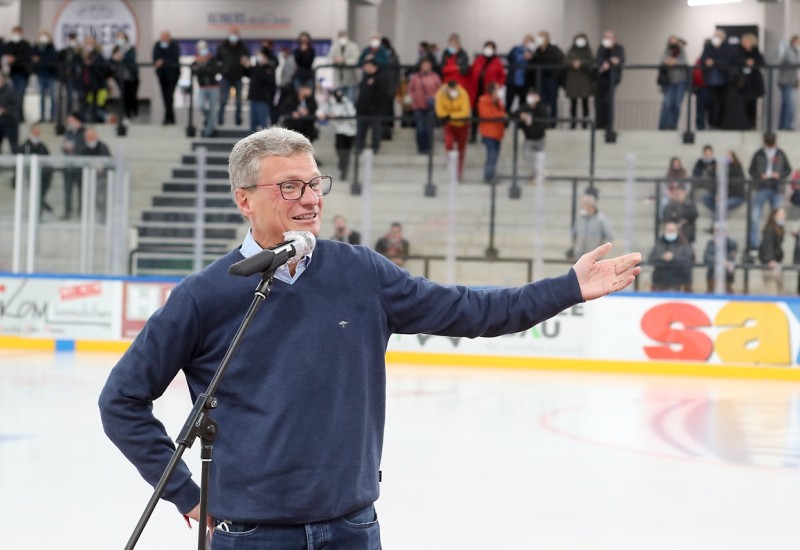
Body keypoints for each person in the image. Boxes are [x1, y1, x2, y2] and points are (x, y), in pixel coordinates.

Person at [98, 126, 640, 549]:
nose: (310, 199)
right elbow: (121, 400)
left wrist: (567, 288)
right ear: (245, 200)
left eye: (315, 183)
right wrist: (186, 494)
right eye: (290, 187)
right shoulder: (206, 295)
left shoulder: (362, 272)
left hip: (352, 528)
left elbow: (471, 310)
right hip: (251, 535)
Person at [747, 132, 792, 255]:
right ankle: (754, 245)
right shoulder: (759, 154)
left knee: (777, 218)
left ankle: (775, 246)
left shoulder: (780, 154)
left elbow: (787, 169)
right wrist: (760, 175)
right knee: (755, 217)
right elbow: (751, 170)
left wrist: (779, 175)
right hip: (761, 187)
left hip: (776, 188)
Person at [724, 33, 764, 131]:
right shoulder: (738, 51)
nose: (745, 43)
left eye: (747, 41)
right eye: (744, 41)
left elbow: (761, 62)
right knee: (741, 104)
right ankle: (743, 125)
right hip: (742, 83)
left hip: (753, 82)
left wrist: (753, 63)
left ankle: (752, 124)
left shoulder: (756, 52)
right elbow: (733, 62)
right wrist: (745, 62)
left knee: (752, 104)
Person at [468, 40, 506, 142]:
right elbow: (472, 72)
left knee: (486, 114)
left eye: (491, 48)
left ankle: (486, 136)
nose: (488, 50)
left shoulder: (497, 62)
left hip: (488, 92)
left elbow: (502, 76)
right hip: (477, 91)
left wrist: (497, 87)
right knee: (475, 114)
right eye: (487, 47)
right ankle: (473, 135)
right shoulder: (479, 59)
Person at [435, 79, 471, 181]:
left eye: (454, 89)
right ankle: (451, 168)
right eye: (451, 89)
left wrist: (450, 115)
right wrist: (450, 116)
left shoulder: (463, 93)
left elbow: (465, 112)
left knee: (461, 149)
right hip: (449, 125)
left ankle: (458, 173)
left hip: (462, 125)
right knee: (449, 145)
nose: (452, 91)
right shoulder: (441, 94)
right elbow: (440, 111)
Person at [317, 87, 356, 179]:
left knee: (347, 151)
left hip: (350, 131)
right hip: (340, 130)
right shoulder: (330, 103)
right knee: (339, 148)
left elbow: (352, 115)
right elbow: (321, 110)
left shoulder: (347, 103)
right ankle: (343, 165)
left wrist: (337, 115)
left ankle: (344, 168)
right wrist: (323, 115)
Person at [355, 59, 391, 154]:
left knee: (376, 131)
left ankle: (375, 148)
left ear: (375, 67)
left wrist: (373, 106)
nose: (367, 68)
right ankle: (359, 147)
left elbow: (382, 94)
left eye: (370, 66)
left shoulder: (381, 78)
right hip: (362, 110)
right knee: (360, 131)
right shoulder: (365, 78)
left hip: (375, 111)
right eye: (366, 66)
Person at [529, 31, 564, 128]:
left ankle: (552, 123)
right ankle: (543, 122)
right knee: (541, 102)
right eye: (539, 37)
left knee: (552, 102)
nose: (540, 39)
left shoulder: (554, 50)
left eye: (542, 37)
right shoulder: (537, 51)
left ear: (547, 38)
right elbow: (533, 64)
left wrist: (555, 77)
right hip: (540, 80)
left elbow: (560, 62)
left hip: (551, 80)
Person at [18, 123, 53, 218]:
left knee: (39, 195)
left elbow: (48, 160)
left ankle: (40, 213)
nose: (37, 134)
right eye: (35, 132)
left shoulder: (42, 146)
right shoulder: (25, 146)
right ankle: (40, 212)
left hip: (44, 176)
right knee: (35, 195)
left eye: (38, 132)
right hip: (31, 175)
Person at [407, 58, 441, 154]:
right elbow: (410, 89)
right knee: (420, 128)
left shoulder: (435, 77)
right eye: (424, 65)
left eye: (427, 65)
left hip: (430, 106)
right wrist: (413, 101)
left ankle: (429, 148)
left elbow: (440, 90)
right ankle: (421, 148)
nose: (425, 67)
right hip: (418, 106)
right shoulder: (415, 77)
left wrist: (434, 98)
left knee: (429, 128)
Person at [215, 26, 248, 126]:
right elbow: (217, 61)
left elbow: (247, 61)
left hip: (238, 77)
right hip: (226, 77)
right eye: (232, 34)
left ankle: (238, 120)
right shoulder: (222, 47)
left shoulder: (243, 48)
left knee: (239, 102)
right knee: (223, 100)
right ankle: (220, 120)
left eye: (235, 34)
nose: (233, 36)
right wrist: (222, 70)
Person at [649, 220, 694, 292]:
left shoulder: (684, 244)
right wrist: (662, 257)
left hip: (679, 281)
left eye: (672, 230)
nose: (670, 232)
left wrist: (673, 258)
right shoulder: (659, 243)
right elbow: (651, 258)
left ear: (677, 231)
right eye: (668, 230)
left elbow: (688, 259)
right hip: (660, 281)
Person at [700, 29, 731, 130]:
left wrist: (714, 62)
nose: (716, 38)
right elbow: (703, 59)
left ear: (723, 38)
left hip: (724, 81)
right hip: (710, 81)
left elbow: (728, 61)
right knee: (712, 104)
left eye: (718, 36)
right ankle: (712, 125)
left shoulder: (727, 48)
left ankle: (721, 125)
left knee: (723, 104)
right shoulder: (708, 47)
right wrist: (707, 62)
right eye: (714, 36)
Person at [242, 47, 278, 133]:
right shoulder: (256, 68)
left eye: (260, 55)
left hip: (263, 100)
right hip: (254, 98)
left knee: (263, 124)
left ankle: (265, 144)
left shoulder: (269, 68)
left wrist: (251, 67)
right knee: (252, 123)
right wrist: (245, 66)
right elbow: (247, 73)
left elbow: (265, 78)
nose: (258, 57)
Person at [513, 89, 547, 179]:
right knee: (527, 155)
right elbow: (513, 114)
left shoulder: (541, 108)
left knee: (540, 157)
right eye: (529, 96)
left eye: (533, 96)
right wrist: (520, 115)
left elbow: (545, 117)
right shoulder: (524, 107)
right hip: (529, 138)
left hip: (540, 138)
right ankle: (536, 170)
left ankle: (537, 173)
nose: (531, 98)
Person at [192, 40, 223, 138]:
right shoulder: (196, 61)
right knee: (200, 106)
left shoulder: (212, 59)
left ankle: (208, 132)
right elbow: (195, 72)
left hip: (213, 87)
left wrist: (203, 67)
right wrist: (200, 66)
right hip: (202, 87)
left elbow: (214, 71)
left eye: (203, 48)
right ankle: (207, 117)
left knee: (213, 109)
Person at [595, 30, 625, 131]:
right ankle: (600, 125)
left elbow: (619, 59)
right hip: (601, 79)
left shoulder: (619, 48)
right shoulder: (601, 48)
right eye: (605, 37)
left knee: (608, 101)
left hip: (613, 79)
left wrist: (609, 62)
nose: (607, 39)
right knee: (600, 102)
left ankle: (609, 126)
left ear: (614, 39)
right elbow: (598, 59)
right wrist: (608, 61)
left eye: (609, 37)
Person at [700, 150, 745, 216]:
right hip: (721, 196)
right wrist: (715, 195)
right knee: (705, 196)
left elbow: (735, 187)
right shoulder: (721, 169)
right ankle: (718, 215)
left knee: (720, 205)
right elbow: (715, 183)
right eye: (726, 157)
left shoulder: (737, 169)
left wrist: (722, 197)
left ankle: (716, 224)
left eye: (730, 157)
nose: (728, 159)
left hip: (734, 196)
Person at [657, 35, 688, 131]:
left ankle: (672, 126)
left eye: (675, 40)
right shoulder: (666, 51)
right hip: (668, 81)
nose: (673, 42)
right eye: (671, 40)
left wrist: (675, 62)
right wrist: (669, 61)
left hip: (680, 81)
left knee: (677, 105)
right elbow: (662, 60)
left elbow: (685, 62)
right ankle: (662, 126)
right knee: (667, 104)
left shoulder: (681, 51)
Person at [564, 32, 594, 129]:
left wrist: (581, 63)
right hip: (573, 80)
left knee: (585, 102)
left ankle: (584, 124)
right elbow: (565, 61)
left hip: (585, 80)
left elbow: (591, 61)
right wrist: (572, 63)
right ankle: (573, 123)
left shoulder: (588, 51)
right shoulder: (571, 50)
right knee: (573, 103)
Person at [477, 82, 505, 184]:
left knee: (495, 155)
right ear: (492, 91)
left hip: (497, 133)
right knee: (491, 155)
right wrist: (501, 114)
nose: (499, 91)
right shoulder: (484, 100)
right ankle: (488, 176)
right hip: (489, 133)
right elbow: (486, 114)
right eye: (497, 89)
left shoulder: (498, 101)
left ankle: (491, 173)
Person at [571, 194, 614, 259]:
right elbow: (574, 235)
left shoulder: (601, 220)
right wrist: (575, 248)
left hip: (595, 258)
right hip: (579, 257)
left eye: (584, 205)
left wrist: (600, 252)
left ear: (590, 206)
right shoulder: (580, 219)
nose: (582, 207)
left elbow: (609, 237)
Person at [152, 31, 181, 126]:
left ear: (169, 37)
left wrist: (163, 61)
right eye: (162, 37)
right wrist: (158, 62)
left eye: (165, 37)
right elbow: (155, 58)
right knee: (165, 96)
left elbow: (175, 58)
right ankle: (170, 118)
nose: (163, 39)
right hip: (162, 75)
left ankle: (168, 117)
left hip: (173, 75)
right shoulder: (157, 45)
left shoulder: (174, 46)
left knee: (169, 95)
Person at [81, 35, 111, 123]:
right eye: (87, 41)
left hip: (96, 85)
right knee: (85, 104)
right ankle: (86, 121)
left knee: (96, 105)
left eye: (90, 42)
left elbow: (102, 70)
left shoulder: (98, 55)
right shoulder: (81, 54)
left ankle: (104, 119)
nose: (88, 43)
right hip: (84, 84)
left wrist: (91, 64)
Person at [110, 31, 139, 121]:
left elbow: (131, 59)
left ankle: (133, 114)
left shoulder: (131, 49)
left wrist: (122, 57)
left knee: (131, 96)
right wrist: (114, 58)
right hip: (119, 77)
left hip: (131, 77)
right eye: (118, 38)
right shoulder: (115, 49)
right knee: (123, 96)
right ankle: (126, 115)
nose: (119, 39)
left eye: (121, 38)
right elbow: (112, 60)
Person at [4, 25, 31, 122]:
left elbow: (27, 58)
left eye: (18, 33)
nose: (16, 35)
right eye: (14, 33)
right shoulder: (9, 44)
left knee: (20, 94)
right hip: (13, 73)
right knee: (14, 95)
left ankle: (19, 116)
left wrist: (15, 59)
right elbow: (6, 56)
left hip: (23, 73)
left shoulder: (25, 44)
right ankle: (15, 115)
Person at [60, 112, 85, 219]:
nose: (69, 122)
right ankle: (67, 211)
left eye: (71, 120)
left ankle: (82, 212)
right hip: (69, 166)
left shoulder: (84, 132)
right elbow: (64, 146)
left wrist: (74, 149)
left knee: (82, 191)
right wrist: (66, 148)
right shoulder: (69, 131)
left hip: (80, 167)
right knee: (68, 191)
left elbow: (85, 147)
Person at [758, 207, 785, 295]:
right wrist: (770, 260)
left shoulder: (779, 228)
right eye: (781, 215)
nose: (783, 217)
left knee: (780, 289)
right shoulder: (770, 229)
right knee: (771, 290)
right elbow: (767, 245)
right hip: (770, 263)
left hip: (776, 262)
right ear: (774, 216)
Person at [505, 34, 535, 114]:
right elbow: (510, 58)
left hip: (525, 83)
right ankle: (505, 123)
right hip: (512, 82)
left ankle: (520, 124)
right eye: (527, 40)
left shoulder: (534, 53)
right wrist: (523, 56)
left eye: (530, 41)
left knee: (523, 105)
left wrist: (531, 57)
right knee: (509, 103)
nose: (528, 42)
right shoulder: (516, 49)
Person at [31, 30, 57, 123]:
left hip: (51, 75)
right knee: (41, 96)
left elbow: (51, 58)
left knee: (52, 96)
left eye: (45, 35)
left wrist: (40, 59)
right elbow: (33, 58)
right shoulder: (36, 47)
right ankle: (42, 117)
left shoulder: (51, 47)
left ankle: (52, 117)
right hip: (41, 74)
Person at [703, 226, 737, 293]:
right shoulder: (711, 243)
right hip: (713, 276)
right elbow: (707, 258)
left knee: (728, 292)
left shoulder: (731, 243)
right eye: (716, 231)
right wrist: (720, 261)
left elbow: (731, 257)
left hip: (726, 276)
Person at [57, 32, 83, 115]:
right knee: (69, 96)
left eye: (73, 39)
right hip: (68, 76)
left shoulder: (79, 51)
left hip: (78, 76)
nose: (72, 41)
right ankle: (69, 114)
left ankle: (80, 114)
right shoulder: (64, 51)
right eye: (70, 39)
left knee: (80, 96)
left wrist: (77, 51)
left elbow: (81, 62)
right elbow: (60, 60)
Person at [778, 35, 800, 131]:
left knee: (786, 104)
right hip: (785, 81)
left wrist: (796, 80)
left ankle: (783, 126)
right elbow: (793, 62)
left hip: (790, 81)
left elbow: (794, 70)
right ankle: (787, 126)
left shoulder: (795, 52)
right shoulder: (789, 51)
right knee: (790, 105)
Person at [332, 30, 360, 103]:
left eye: (344, 36)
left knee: (351, 100)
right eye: (340, 37)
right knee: (339, 101)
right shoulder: (335, 46)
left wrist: (344, 61)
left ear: (347, 37)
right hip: (339, 79)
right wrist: (335, 60)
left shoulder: (353, 46)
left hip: (350, 79)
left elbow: (356, 59)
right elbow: (329, 58)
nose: (342, 38)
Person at [0, 73, 20, 154]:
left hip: (10, 122)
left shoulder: (10, 91)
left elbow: (17, 105)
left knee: (13, 145)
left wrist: (5, 110)